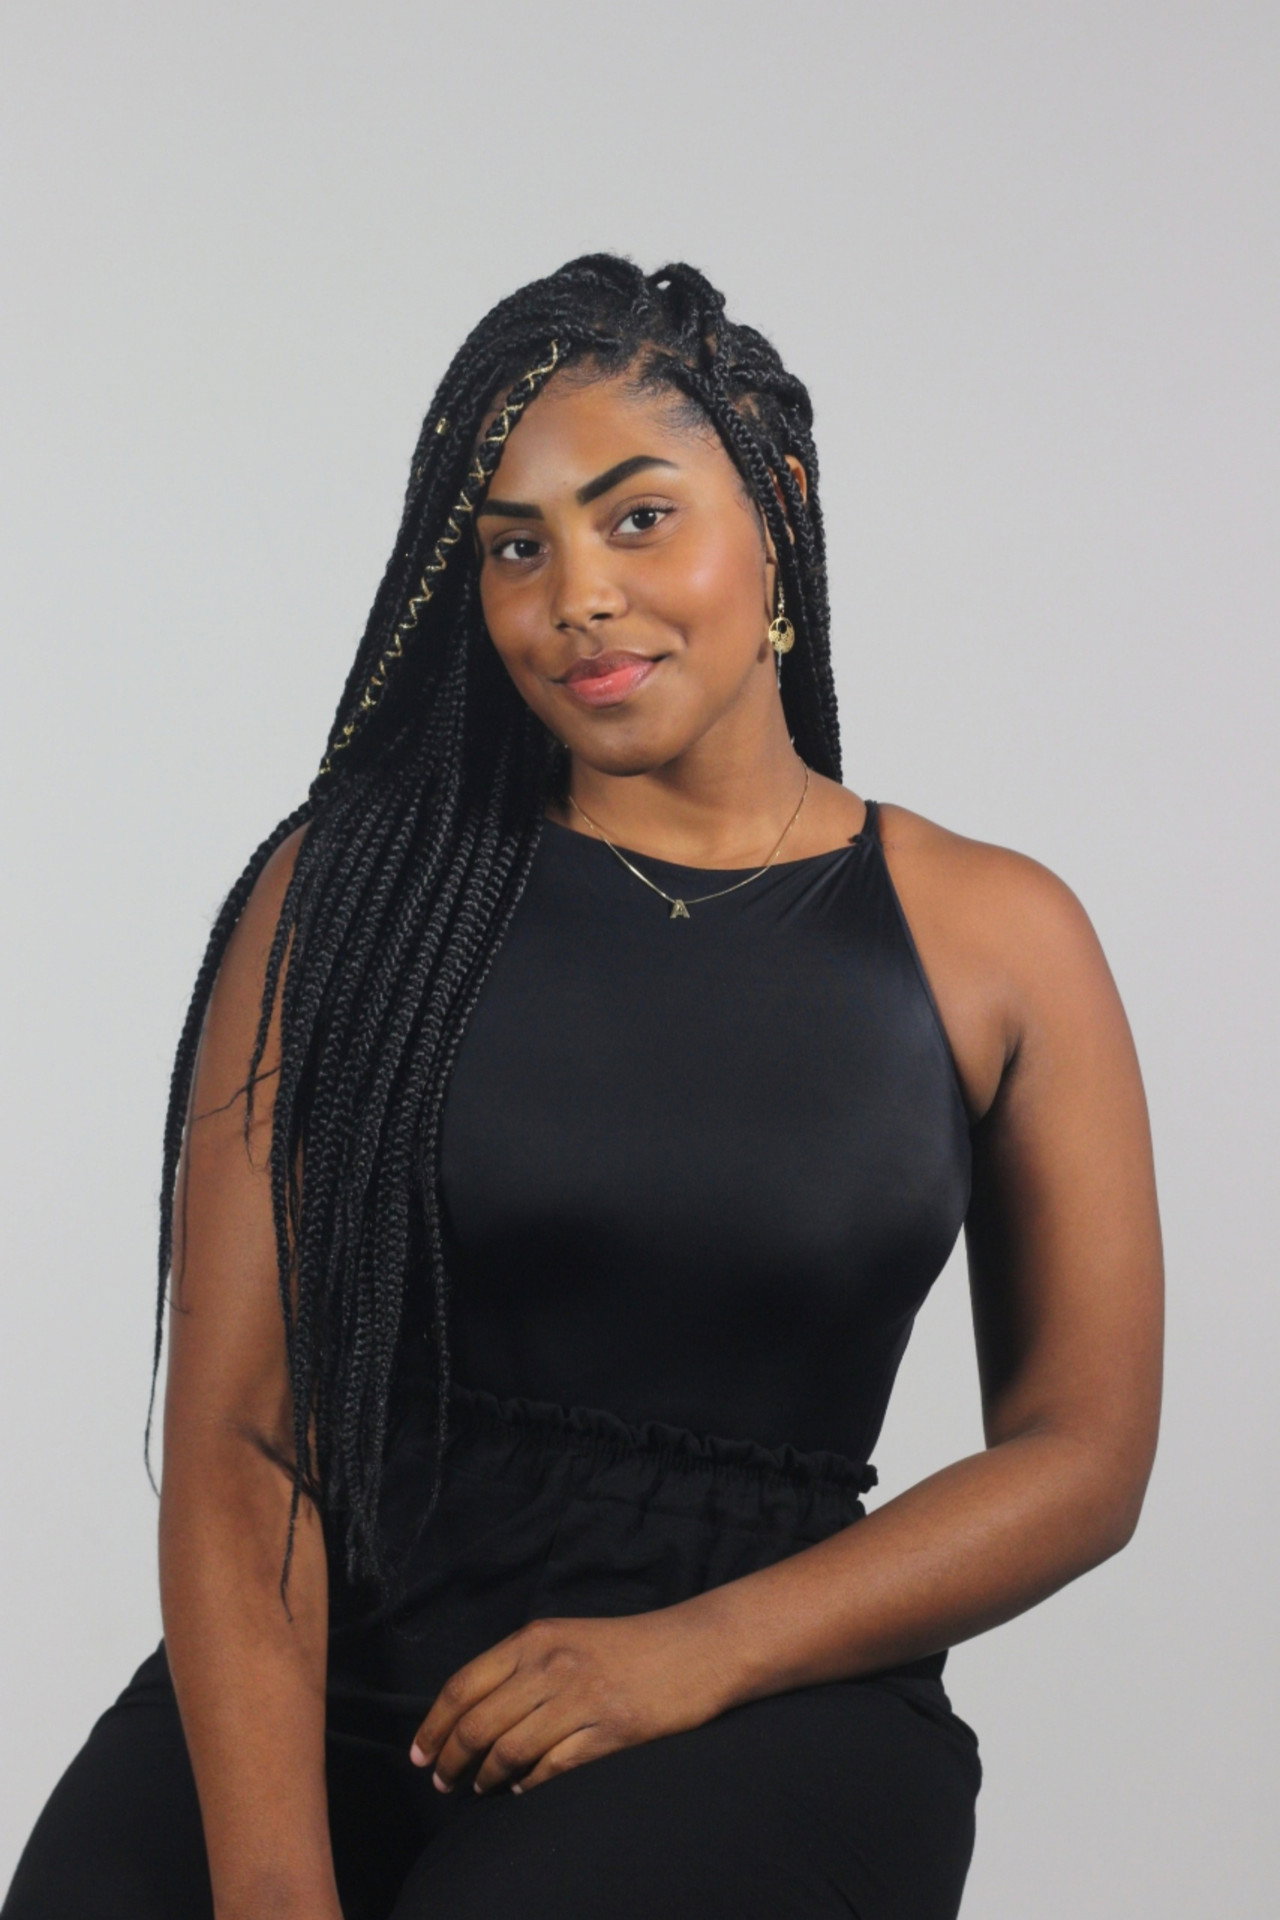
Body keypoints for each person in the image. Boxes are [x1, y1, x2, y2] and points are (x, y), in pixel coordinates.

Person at [2, 254, 1164, 1920]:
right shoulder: (353, 894)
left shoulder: (997, 937)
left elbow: (1081, 1451)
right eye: (516, 547)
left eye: (638, 519)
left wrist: (699, 1652)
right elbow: (244, 1435)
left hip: (772, 1698)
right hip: (324, 1675)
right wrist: (271, 1888)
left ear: (780, 502)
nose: (577, 596)